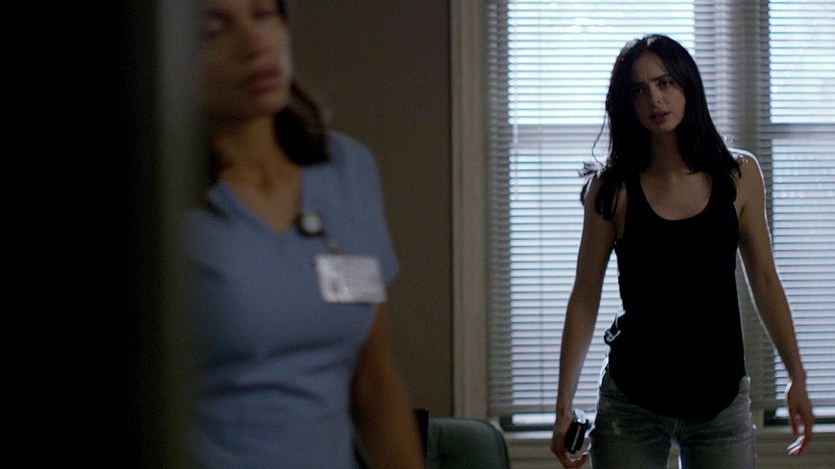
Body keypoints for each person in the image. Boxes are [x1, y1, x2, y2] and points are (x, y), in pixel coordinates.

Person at [549, 34, 815, 469]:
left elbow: (765, 280)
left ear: (687, 86)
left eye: (665, 83)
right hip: (632, 403)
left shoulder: (739, 174)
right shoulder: (611, 189)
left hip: (721, 402)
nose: (655, 99)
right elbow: (584, 296)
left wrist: (796, 377)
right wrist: (563, 404)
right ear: (626, 104)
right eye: (639, 90)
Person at [183, 1, 425, 467]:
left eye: (263, 14)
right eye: (212, 30)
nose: (254, 44)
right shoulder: (157, 200)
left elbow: (373, 383)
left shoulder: (347, 169)